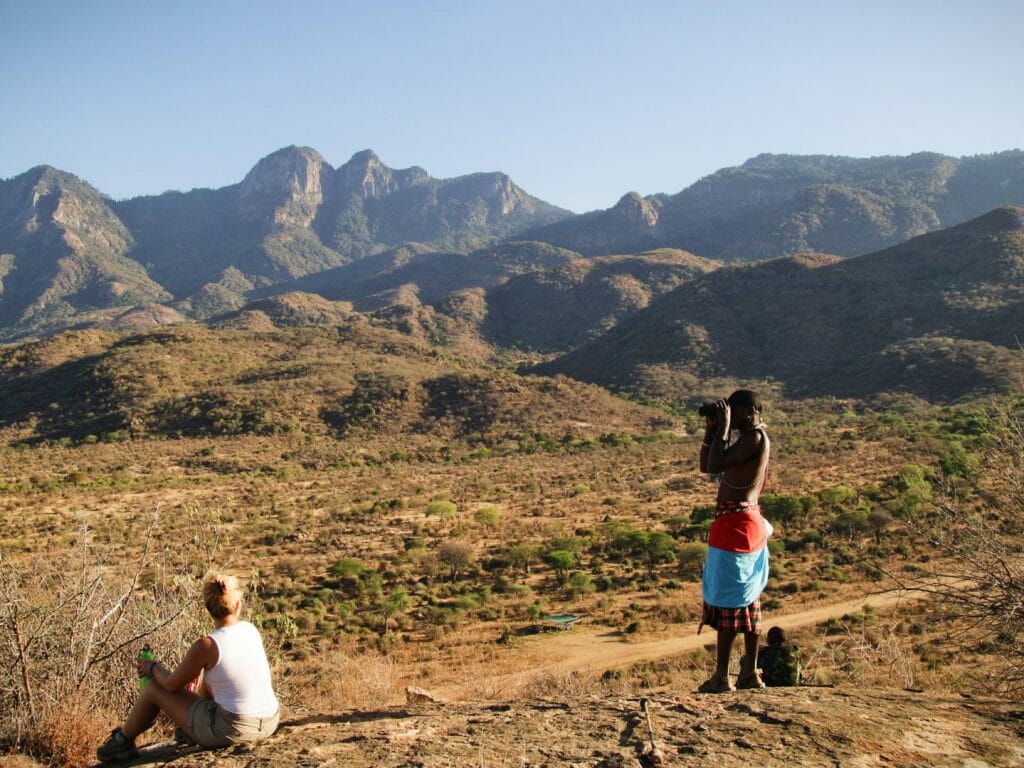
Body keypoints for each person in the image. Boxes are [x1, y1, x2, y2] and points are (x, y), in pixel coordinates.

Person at [97, 572, 280, 762]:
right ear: (238, 605)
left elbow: (169, 685)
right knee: (210, 683)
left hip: (234, 730)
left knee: (153, 688)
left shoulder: (208, 645)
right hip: (269, 721)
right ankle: (190, 731)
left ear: (208, 607)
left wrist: (152, 667)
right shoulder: (250, 630)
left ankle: (122, 741)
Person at [697, 389, 772, 693]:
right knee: (744, 599)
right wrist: (712, 431)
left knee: (730, 602)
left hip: (738, 526)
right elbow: (707, 465)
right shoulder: (749, 438)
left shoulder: (754, 438)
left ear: (748, 412)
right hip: (736, 523)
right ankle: (749, 674)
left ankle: (722, 677)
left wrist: (724, 430)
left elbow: (716, 465)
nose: (730, 415)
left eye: (733, 411)